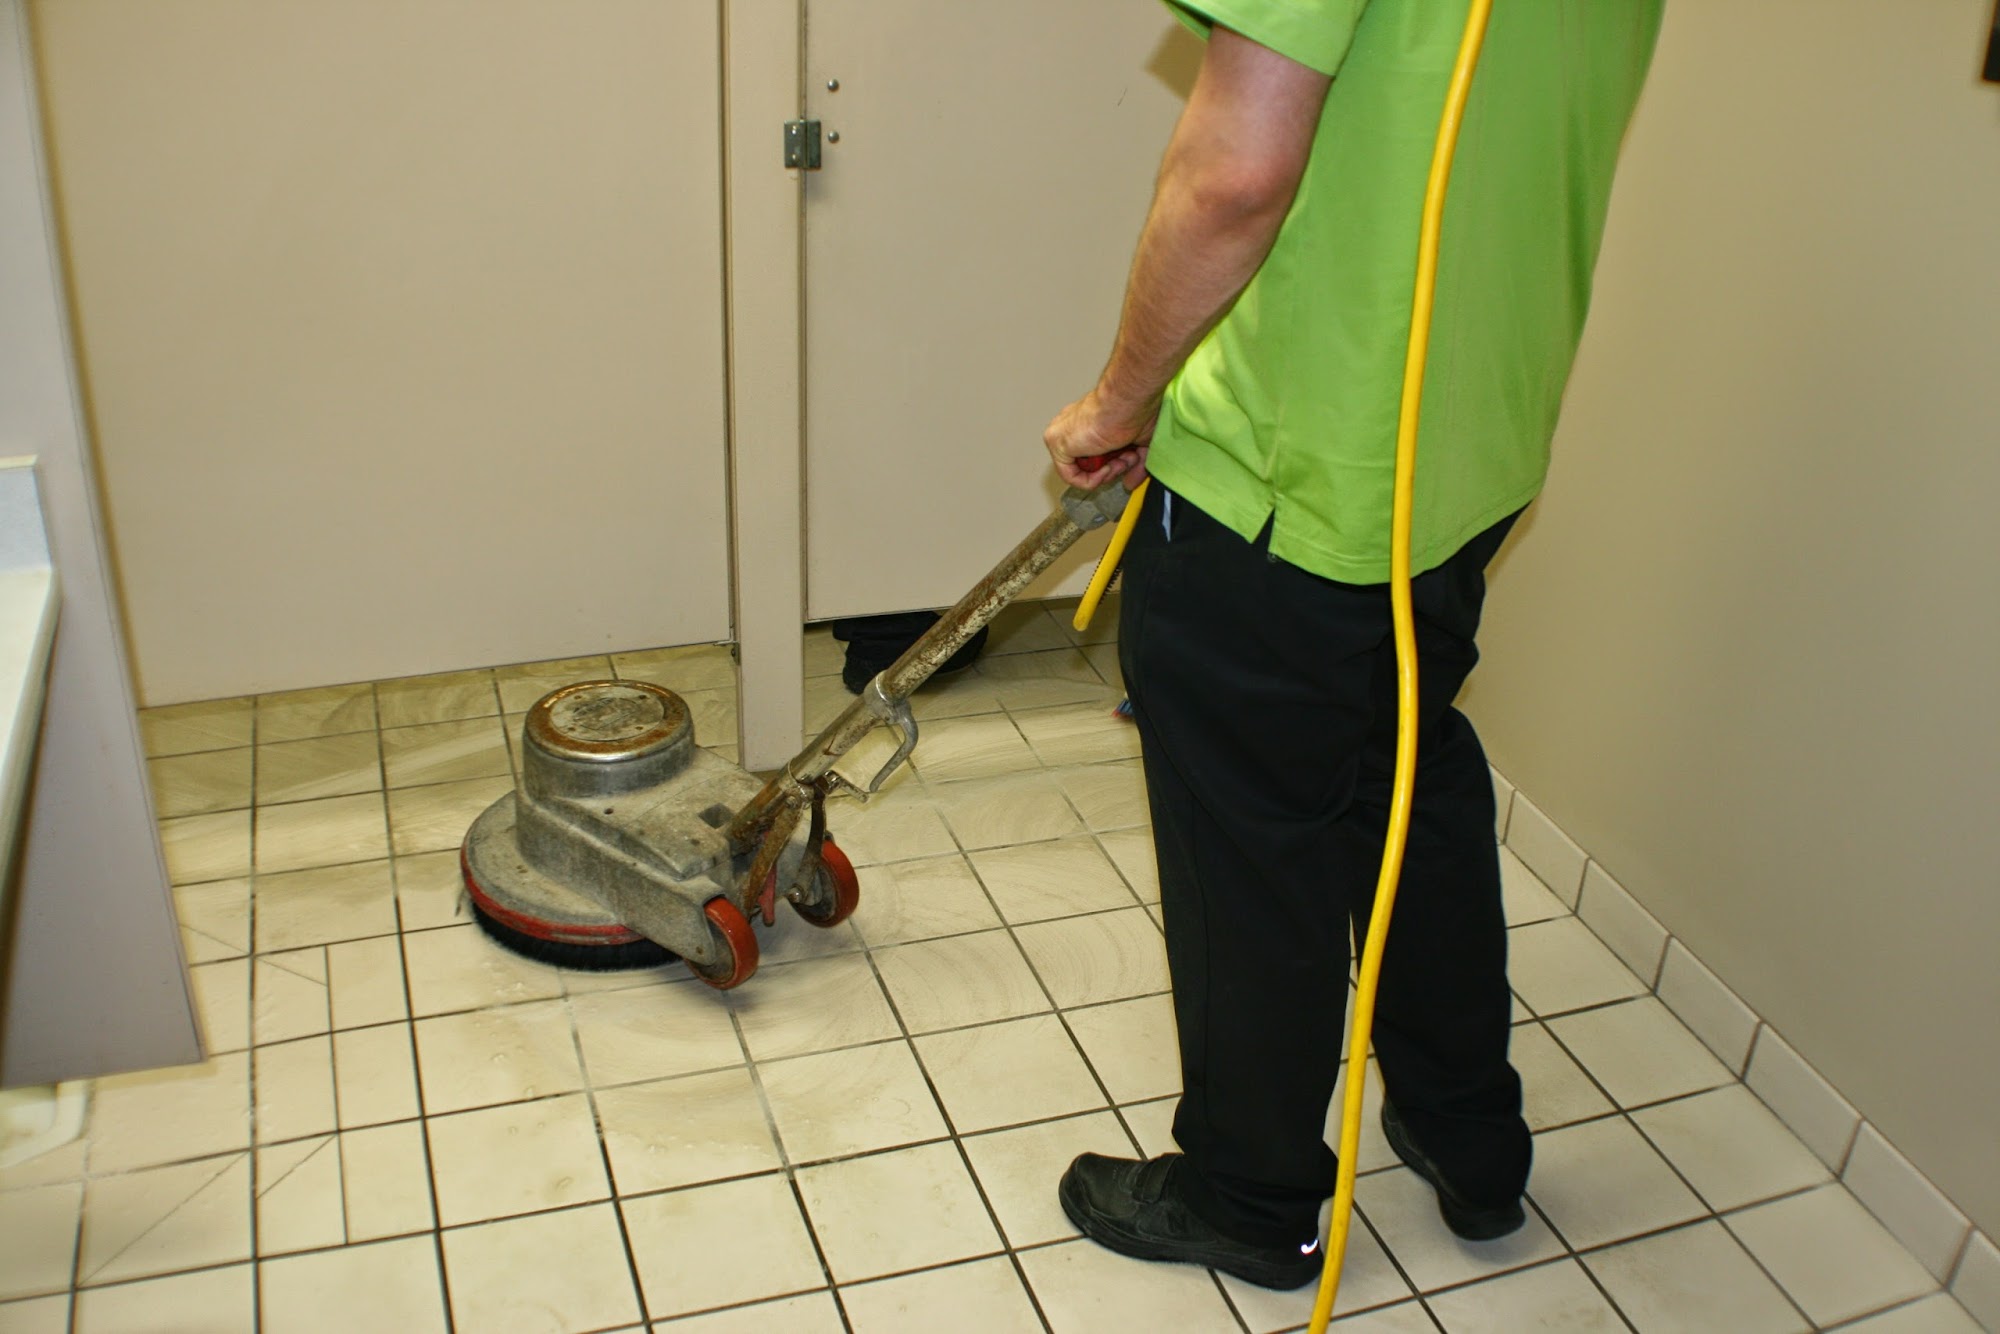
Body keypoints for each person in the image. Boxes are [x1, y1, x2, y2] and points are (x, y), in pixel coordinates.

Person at [1043, 1, 1663, 1291]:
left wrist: (1123, 396)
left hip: (1292, 472)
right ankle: (1468, 1134)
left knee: (1251, 845)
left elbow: (1236, 174)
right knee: (1408, 777)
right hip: (1464, 448)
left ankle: (1246, 1194)